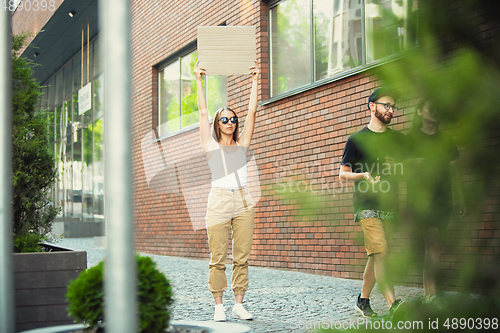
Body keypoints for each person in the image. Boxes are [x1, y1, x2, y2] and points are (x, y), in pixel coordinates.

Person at [194, 60, 260, 322]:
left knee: (242, 255)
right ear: (217, 123)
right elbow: (201, 111)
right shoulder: (210, 145)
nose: (230, 122)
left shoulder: (242, 144)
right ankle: (219, 305)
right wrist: (198, 80)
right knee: (218, 256)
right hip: (219, 201)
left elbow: (253, 113)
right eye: (225, 119)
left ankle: (239, 303)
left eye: (233, 119)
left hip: (243, 200)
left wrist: (255, 80)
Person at [339, 87, 408, 318]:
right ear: (372, 106)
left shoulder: (398, 140)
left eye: (393, 107)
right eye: (386, 105)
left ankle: (363, 300)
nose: (390, 110)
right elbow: (343, 174)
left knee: (376, 254)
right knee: (382, 253)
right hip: (366, 205)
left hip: (389, 205)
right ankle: (393, 304)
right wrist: (363, 175)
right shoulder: (356, 140)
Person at [406, 98, 465, 306]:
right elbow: (399, 168)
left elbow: (454, 171)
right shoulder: (411, 139)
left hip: (443, 198)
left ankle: (428, 293)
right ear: (420, 111)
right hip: (421, 199)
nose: (435, 111)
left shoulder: (446, 140)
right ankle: (431, 294)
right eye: (431, 108)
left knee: (434, 246)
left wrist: (461, 197)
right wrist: (412, 162)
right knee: (432, 243)